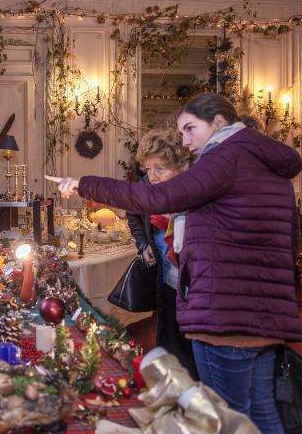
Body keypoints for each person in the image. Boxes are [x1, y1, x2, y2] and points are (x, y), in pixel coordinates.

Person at [48, 93, 302, 434]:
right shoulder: (269, 167)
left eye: (190, 129)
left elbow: (156, 197)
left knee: (221, 416)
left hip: (225, 313)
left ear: (218, 123)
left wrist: (84, 184)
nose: (184, 140)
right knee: (262, 411)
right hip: (266, 314)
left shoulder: (226, 156)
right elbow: (290, 240)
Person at [125, 129, 198, 379]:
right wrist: (143, 243)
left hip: (197, 288)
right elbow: (132, 212)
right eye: (148, 169)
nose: (152, 177)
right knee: (169, 349)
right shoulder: (147, 186)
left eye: (160, 168)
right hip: (167, 282)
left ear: (183, 165)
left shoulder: (198, 191)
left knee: (196, 356)